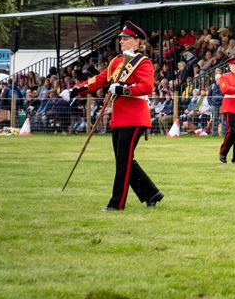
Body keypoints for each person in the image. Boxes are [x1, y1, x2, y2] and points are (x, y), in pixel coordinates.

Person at [61, 22, 163, 210]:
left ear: (136, 41)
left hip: (134, 117)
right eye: (121, 39)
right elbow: (98, 80)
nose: (121, 41)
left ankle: (117, 203)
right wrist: (75, 91)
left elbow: (147, 87)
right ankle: (151, 193)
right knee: (124, 160)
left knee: (124, 161)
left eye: (125, 38)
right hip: (120, 117)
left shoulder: (143, 62)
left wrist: (123, 89)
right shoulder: (117, 61)